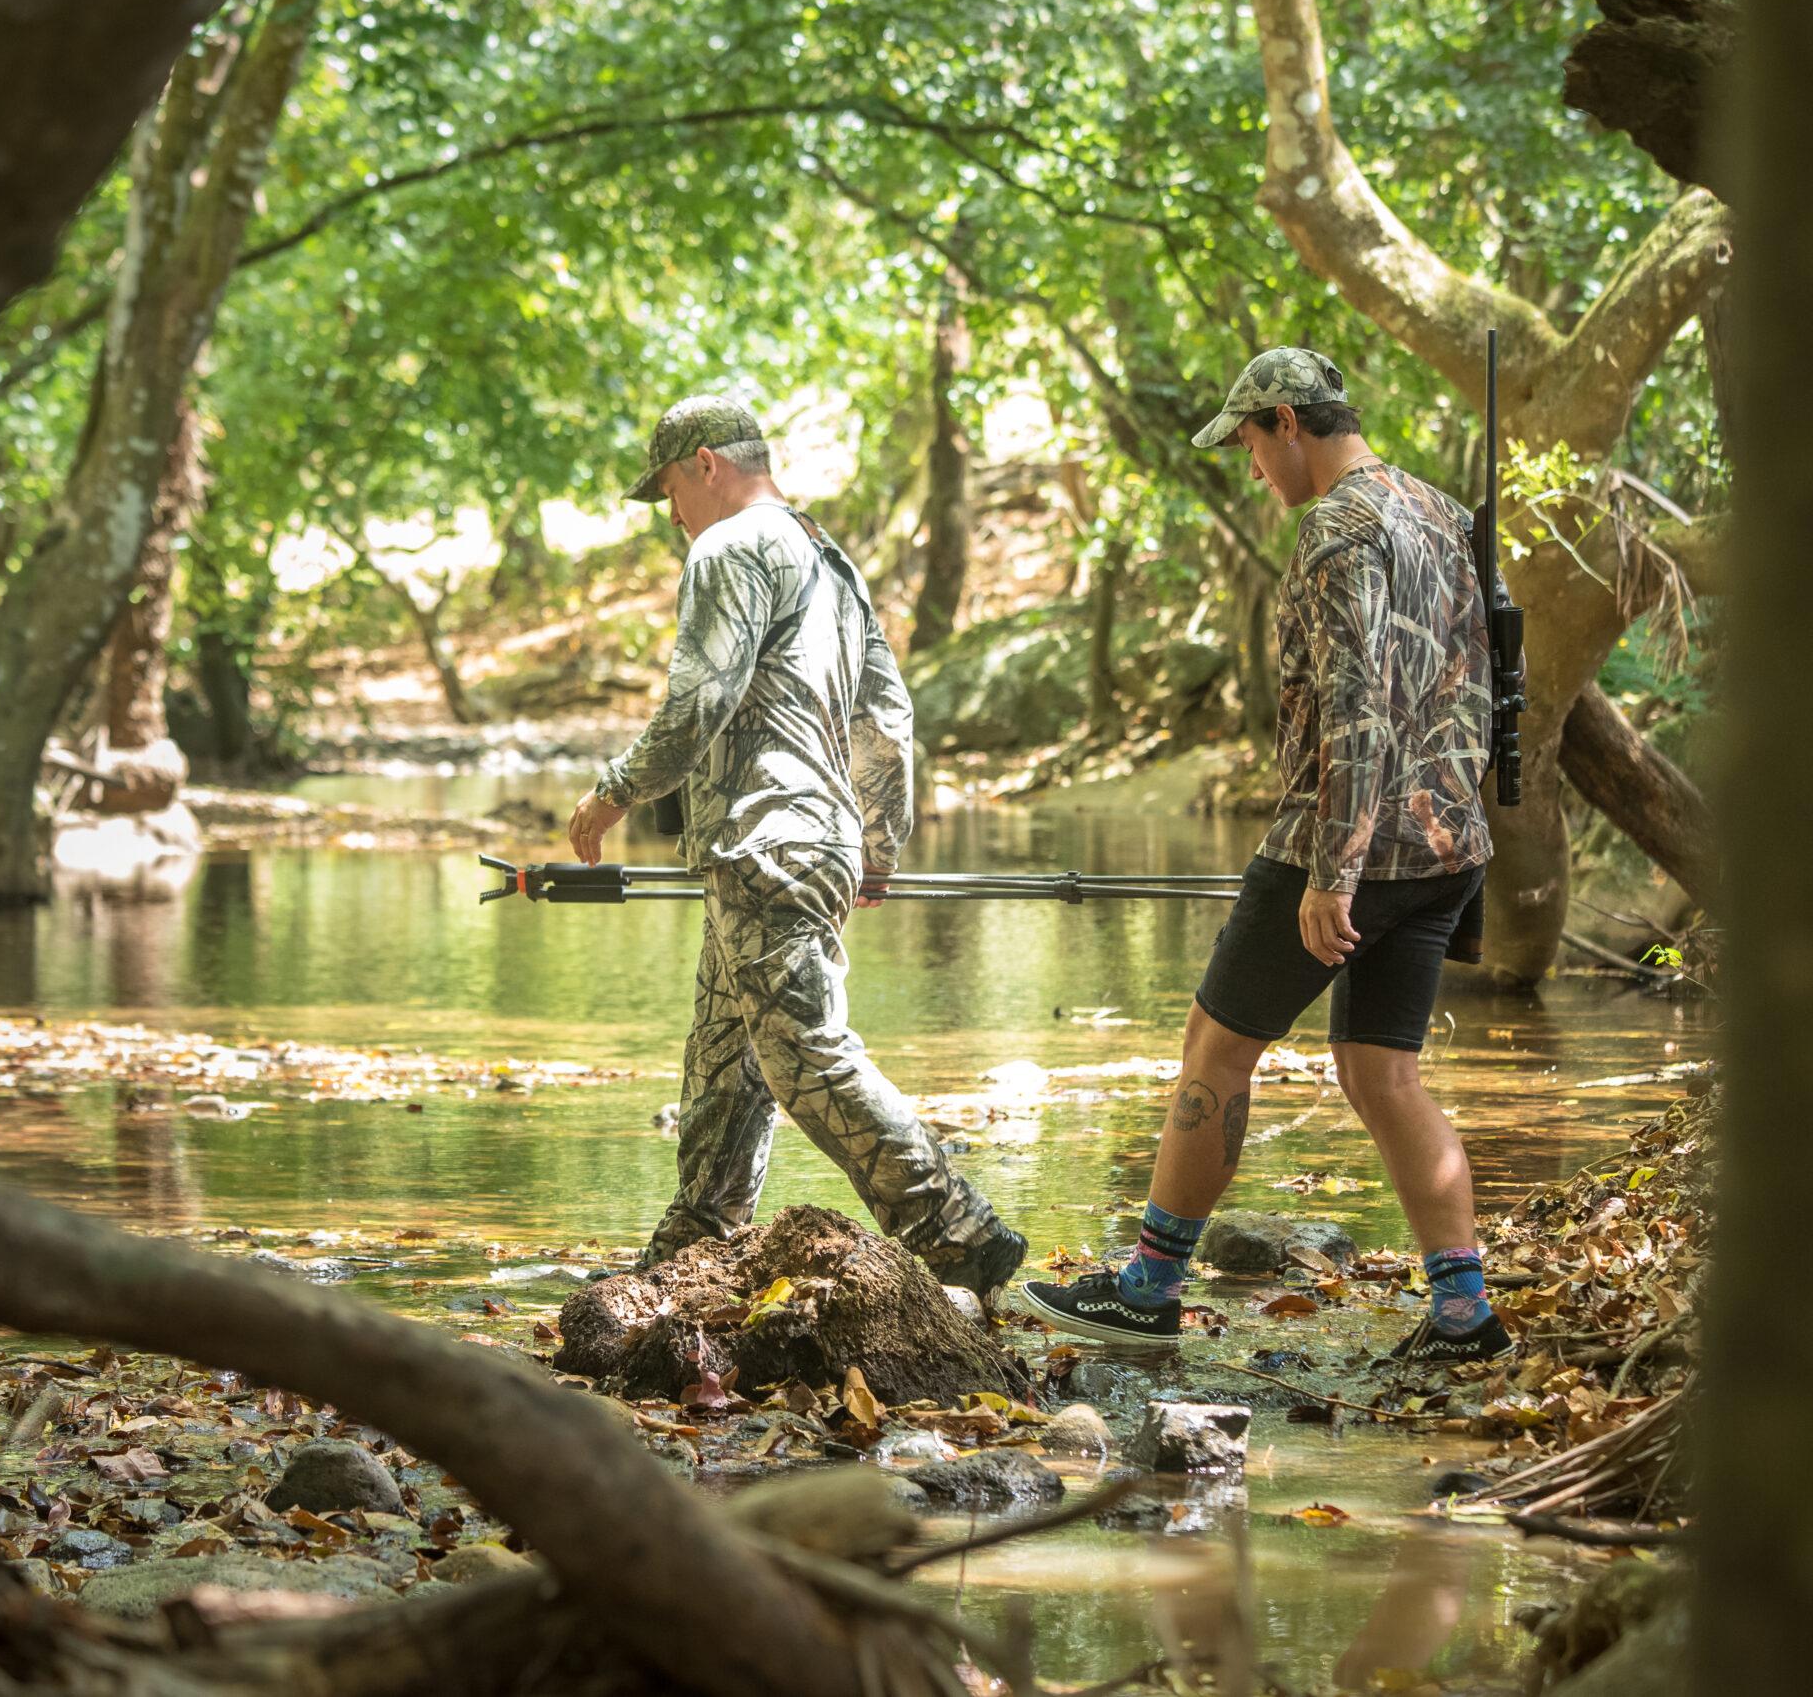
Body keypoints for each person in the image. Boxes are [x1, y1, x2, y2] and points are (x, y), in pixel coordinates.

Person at [1017, 347, 1510, 1362]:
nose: (1250, 466)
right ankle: (1464, 1313)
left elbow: (1358, 705)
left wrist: (1334, 867)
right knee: (1382, 1070)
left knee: (1214, 1043)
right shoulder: (1440, 509)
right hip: (1450, 841)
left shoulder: (1337, 528)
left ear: (1287, 419)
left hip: (1347, 837)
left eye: (1248, 440)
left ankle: (1148, 1286)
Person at [569, 394, 1029, 1302]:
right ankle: (696, 1244)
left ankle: (951, 1224)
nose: (669, 514)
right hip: (806, 837)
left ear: (706, 463)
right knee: (723, 1060)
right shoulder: (830, 559)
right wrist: (877, 840)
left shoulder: (729, 547)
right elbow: (886, 717)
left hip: (764, 835)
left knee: (803, 1053)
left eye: (667, 488)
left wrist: (615, 788)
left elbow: (702, 695)